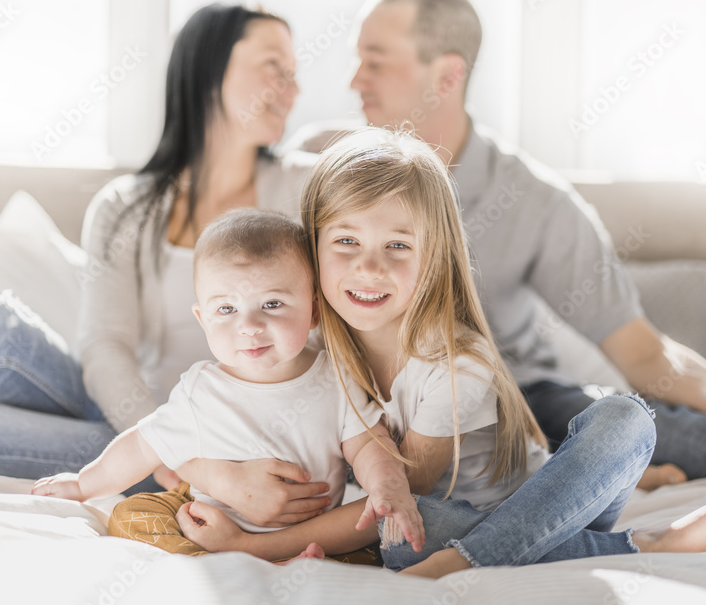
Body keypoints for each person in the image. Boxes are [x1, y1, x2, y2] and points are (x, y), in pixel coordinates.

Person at [289, 0, 706, 511]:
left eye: (377, 61)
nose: (355, 80)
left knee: (686, 434)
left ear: (446, 76)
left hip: (517, 400)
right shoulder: (315, 160)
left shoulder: (536, 202)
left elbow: (644, 352)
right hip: (357, 389)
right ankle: (588, 478)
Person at [173, 128, 706, 576]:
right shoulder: (313, 349)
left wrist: (253, 546)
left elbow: (401, 495)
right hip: (460, 518)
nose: (369, 267)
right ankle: (627, 525)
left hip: (549, 501)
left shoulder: (454, 366)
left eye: (397, 245)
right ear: (313, 250)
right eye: (346, 241)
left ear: (433, 255)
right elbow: (194, 425)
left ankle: (609, 546)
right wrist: (217, 472)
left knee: (622, 419)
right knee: (417, 527)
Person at [0, 4, 341, 525]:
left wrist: (188, 453)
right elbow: (106, 345)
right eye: (273, 67)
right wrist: (176, 448)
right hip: (140, 423)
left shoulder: (313, 187)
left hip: (226, 438)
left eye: (293, 74)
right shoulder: (126, 205)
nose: (291, 89)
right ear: (209, 67)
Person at [32, 209, 424, 558]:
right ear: (203, 319)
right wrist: (83, 484)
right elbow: (140, 445)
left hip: (306, 530)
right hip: (211, 520)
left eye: (272, 303)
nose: (249, 326)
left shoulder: (334, 378)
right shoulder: (202, 390)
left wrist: (387, 487)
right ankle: (215, 557)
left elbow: (371, 445)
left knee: (370, 534)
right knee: (130, 516)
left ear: (314, 312)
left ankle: (289, 559)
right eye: (226, 309)